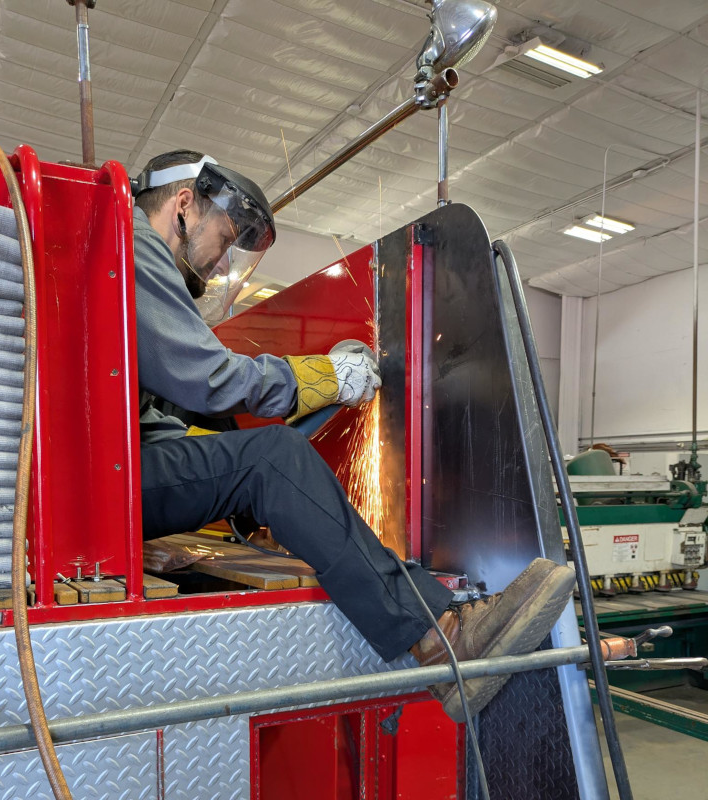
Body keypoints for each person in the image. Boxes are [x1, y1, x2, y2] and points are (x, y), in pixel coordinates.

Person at [131, 149, 575, 720]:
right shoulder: (136, 246)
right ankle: (439, 637)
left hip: (113, 476)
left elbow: (159, 425)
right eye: (225, 237)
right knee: (272, 458)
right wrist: (323, 377)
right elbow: (211, 378)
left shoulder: (126, 260)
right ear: (184, 205)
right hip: (101, 489)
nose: (219, 265)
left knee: (268, 455)